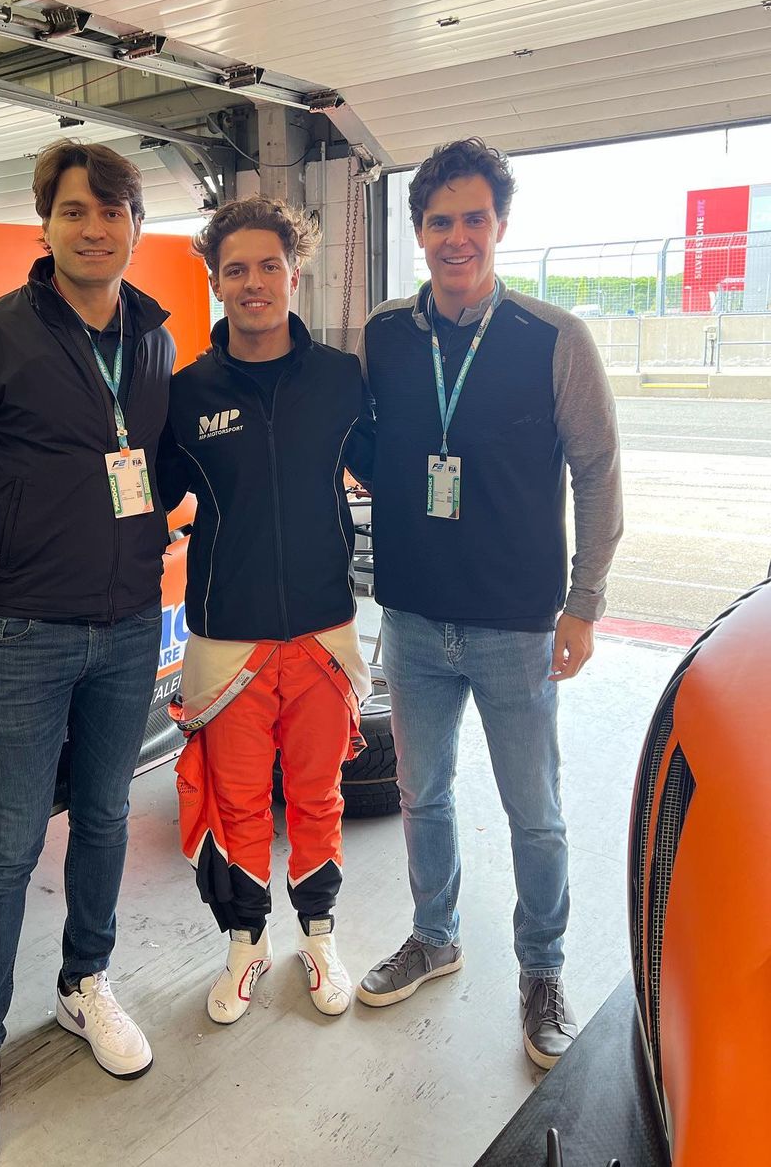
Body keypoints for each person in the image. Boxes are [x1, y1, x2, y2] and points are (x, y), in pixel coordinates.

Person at [0, 140, 175, 1167]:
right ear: (45, 224)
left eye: (112, 211)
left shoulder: (153, 337)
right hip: (20, 632)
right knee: (10, 845)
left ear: (136, 224)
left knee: (104, 817)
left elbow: (159, 463)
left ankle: (83, 984)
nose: (95, 228)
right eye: (74, 211)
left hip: (128, 625)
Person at [355, 138, 623, 1070]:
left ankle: (542, 970)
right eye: (440, 222)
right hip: (414, 620)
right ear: (419, 231)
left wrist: (584, 602)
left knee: (534, 812)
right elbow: (367, 444)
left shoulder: (554, 338)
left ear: (500, 226)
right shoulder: (385, 335)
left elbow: (597, 469)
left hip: (517, 624)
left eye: (474, 219)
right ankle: (436, 936)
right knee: (421, 795)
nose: (457, 238)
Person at [158, 195, 373, 1025]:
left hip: (323, 631)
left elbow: (392, 469)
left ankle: (319, 937)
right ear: (216, 282)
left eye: (269, 266)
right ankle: (245, 945)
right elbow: (145, 498)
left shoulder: (342, 378)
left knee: (317, 798)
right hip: (227, 640)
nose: (254, 283)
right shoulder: (185, 394)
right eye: (236, 269)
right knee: (237, 804)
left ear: (295, 272)